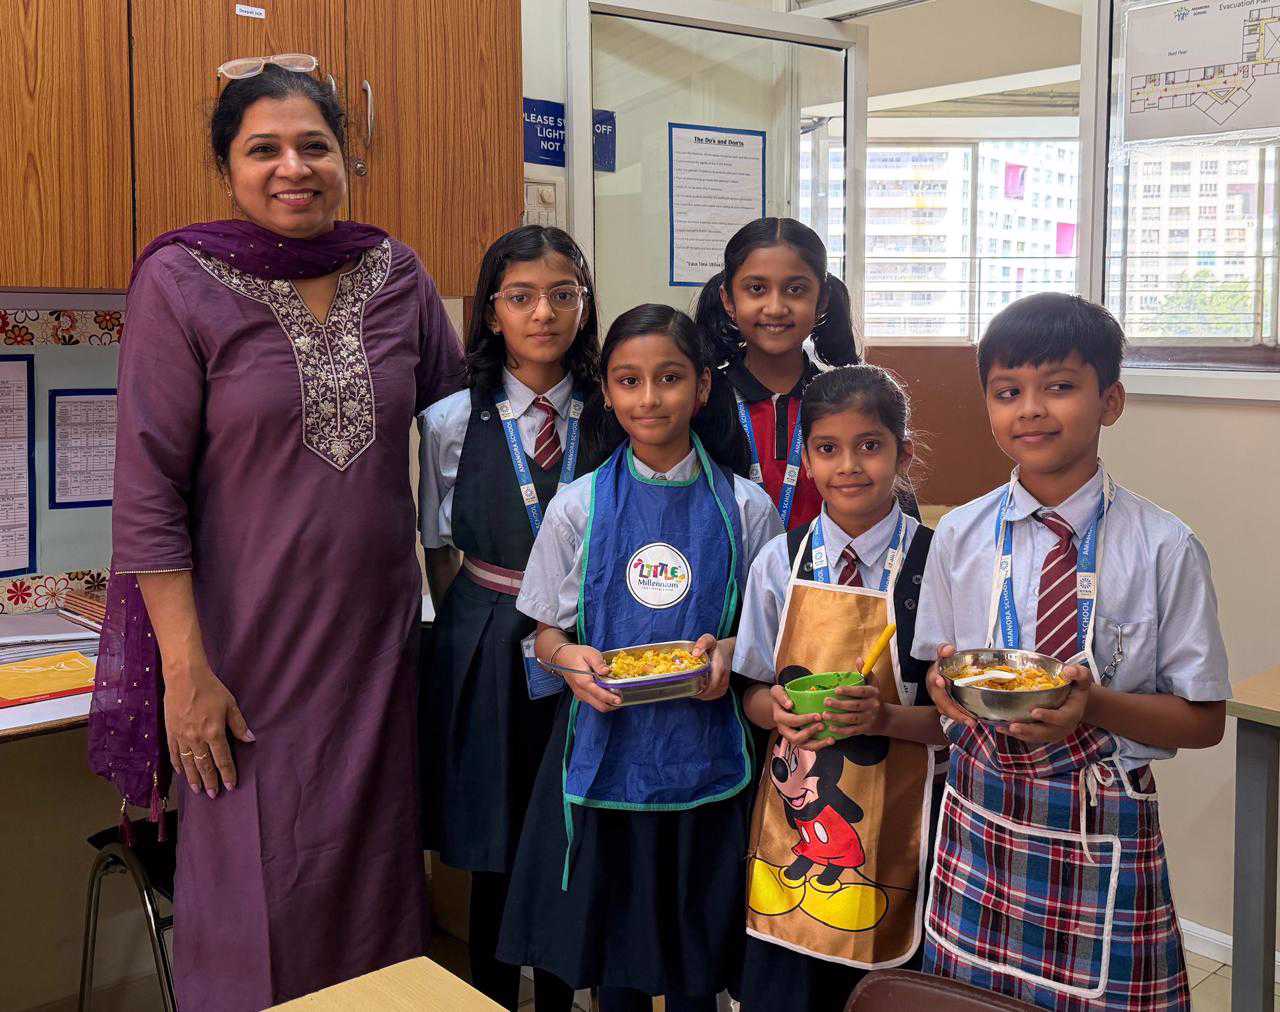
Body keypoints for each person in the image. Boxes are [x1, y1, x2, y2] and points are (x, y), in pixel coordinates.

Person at [104, 60, 463, 1010]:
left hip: (377, 653)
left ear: (348, 158)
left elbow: (464, 432)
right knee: (256, 898)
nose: (293, 167)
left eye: (316, 146)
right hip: (241, 661)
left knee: (376, 891)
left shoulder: (397, 274)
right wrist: (186, 676)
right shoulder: (180, 280)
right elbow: (146, 495)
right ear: (226, 168)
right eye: (264, 149)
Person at [915, 293, 1229, 1011]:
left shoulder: (1165, 547)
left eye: (1059, 386)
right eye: (1008, 392)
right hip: (981, 820)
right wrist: (940, 687)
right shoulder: (958, 536)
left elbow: (1205, 720)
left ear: (1110, 401)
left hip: (1102, 828)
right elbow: (941, 669)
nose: (1031, 409)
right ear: (988, 407)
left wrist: (1094, 706)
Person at [495, 305, 783, 1012]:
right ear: (607, 391)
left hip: (707, 758)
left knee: (695, 963)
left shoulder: (747, 507)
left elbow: (768, 639)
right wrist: (571, 662)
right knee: (616, 962)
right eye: (629, 381)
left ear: (703, 387)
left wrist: (730, 654)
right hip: (606, 756)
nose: (649, 398)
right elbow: (545, 635)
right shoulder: (578, 505)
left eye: (669, 378)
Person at [418, 224, 597, 1011]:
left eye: (563, 295)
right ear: (491, 312)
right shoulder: (450, 419)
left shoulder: (614, 408)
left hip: (589, 637)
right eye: (521, 297)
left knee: (568, 827)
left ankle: (560, 995)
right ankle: (490, 996)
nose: (543, 314)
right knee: (495, 831)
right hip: (487, 631)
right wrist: (469, 635)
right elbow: (437, 545)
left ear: (585, 305)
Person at [732, 365, 946, 1011]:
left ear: (904, 454)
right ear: (807, 459)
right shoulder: (779, 560)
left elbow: (960, 721)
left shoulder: (938, 563)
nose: (848, 466)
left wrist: (884, 720)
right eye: (828, 448)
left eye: (870, 445)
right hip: (792, 820)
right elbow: (751, 692)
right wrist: (777, 710)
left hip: (912, 825)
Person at [694, 217, 859, 532]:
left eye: (795, 290)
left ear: (822, 299)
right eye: (757, 289)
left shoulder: (847, 402)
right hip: (729, 565)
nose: (775, 307)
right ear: (728, 300)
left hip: (821, 564)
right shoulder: (703, 400)